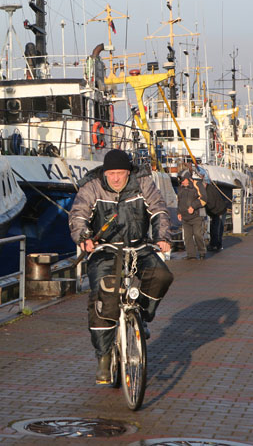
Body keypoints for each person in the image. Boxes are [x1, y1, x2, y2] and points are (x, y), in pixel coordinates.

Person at [69, 149, 174, 384]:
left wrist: (163, 237)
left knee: (161, 275)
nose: (116, 178)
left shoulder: (143, 183)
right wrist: (84, 236)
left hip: (138, 248)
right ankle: (104, 358)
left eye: (121, 173)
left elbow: (158, 210)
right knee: (103, 300)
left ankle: (142, 315)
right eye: (112, 173)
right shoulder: (92, 187)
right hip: (105, 251)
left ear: (129, 172)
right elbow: (78, 215)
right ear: (105, 173)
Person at [177, 170, 207, 260]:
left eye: (183, 180)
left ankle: (202, 252)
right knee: (187, 237)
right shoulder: (181, 187)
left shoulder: (197, 184)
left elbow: (204, 198)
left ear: (187, 178)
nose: (182, 182)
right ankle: (191, 255)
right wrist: (178, 212)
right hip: (185, 217)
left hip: (196, 216)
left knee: (198, 234)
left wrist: (193, 206)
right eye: (181, 181)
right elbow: (179, 200)